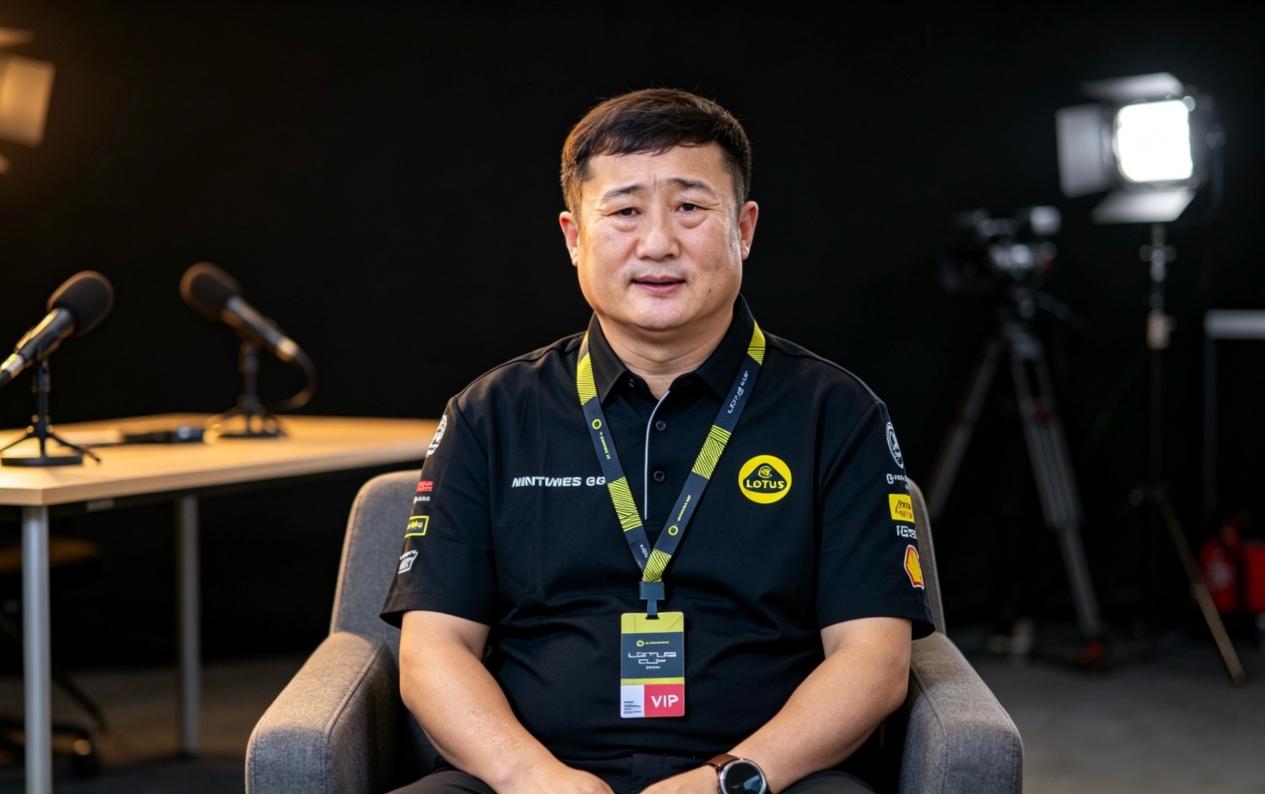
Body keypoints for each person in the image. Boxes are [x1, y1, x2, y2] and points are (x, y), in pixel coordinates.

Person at [381, 88, 933, 794]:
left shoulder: (836, 413)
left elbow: (873, 660)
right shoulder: (490, 413)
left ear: (744, 229)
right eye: (624, 211)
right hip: (522, 781)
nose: (657, 244)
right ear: (573, 237)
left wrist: (728, 780)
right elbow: (434, 650)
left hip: (769, 782)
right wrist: (531, 776)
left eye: (690, 207)